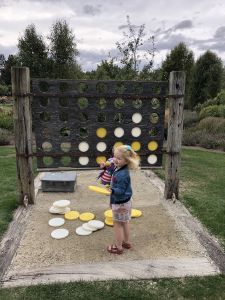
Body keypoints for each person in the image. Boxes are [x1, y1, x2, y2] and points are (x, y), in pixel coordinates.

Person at [107, 144, 140, 255]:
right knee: (125, 222)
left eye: (119, 158)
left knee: (117, 225)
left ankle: (119, 247)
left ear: (127, 161)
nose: (115, 159)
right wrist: (104, 167)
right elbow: (113, 173)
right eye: (115, 156)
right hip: (126, 203)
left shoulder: (122, 175)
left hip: (120, 203)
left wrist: (113, 191)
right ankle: (126, 242)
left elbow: (120, 190)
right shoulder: (121, 168)